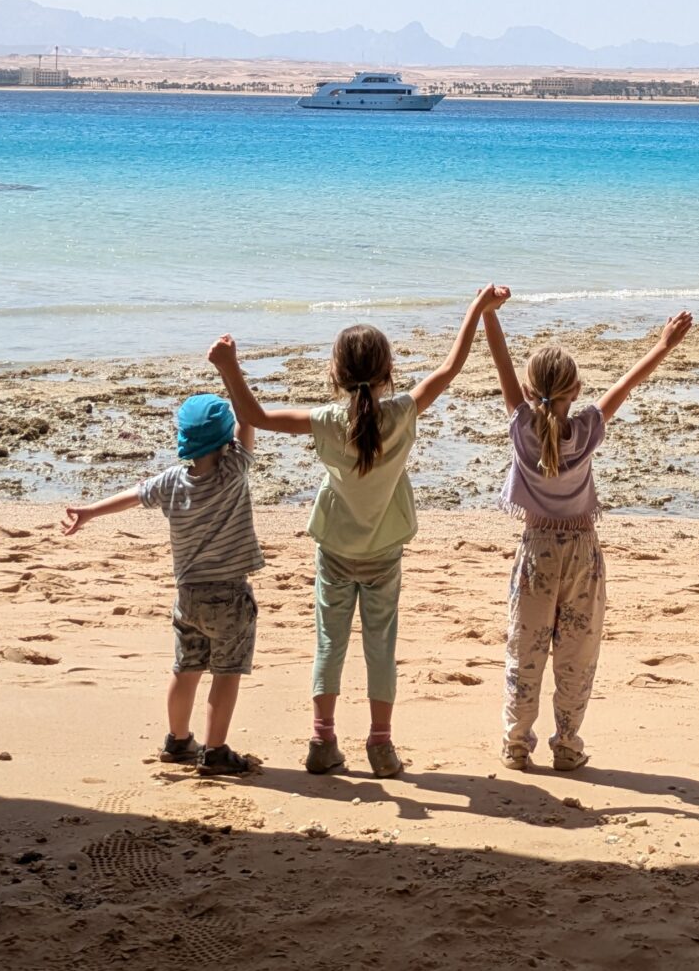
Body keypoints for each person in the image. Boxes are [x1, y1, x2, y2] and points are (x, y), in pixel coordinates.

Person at [210, 286, 504, 779]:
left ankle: (323, 740)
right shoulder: (403, 413)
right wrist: (477, 309)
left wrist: (229, 367)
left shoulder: (326, 420)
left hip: (335, 548)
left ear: (335, 374)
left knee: (330, 642)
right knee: (380, 644)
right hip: (384, 550)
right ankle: (381, 745)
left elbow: (254, 417)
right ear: (388, 373)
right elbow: (450, 370)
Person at [482, 304, 693, 772]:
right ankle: (568, 744)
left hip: (536, 550)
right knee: (577, 653)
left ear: (530, 389)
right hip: (582, 552)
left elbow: (500, 360)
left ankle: (517, 745)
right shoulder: (586, 431)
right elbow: (626, 385)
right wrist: (663, 344)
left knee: (526, 648)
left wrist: (487, 313)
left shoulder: (522, 429)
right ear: (576, 391)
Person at [60, 389, 262, 779]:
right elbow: (248, 418)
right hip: (229, 595)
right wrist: (231, 372)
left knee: (185, 669)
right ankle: (215, 750)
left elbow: (133, 496)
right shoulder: (232, 470)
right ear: (225, 441)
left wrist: (89, 512)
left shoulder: (172, 481)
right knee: (226, 671)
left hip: (187, 597)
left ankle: (178, 740)